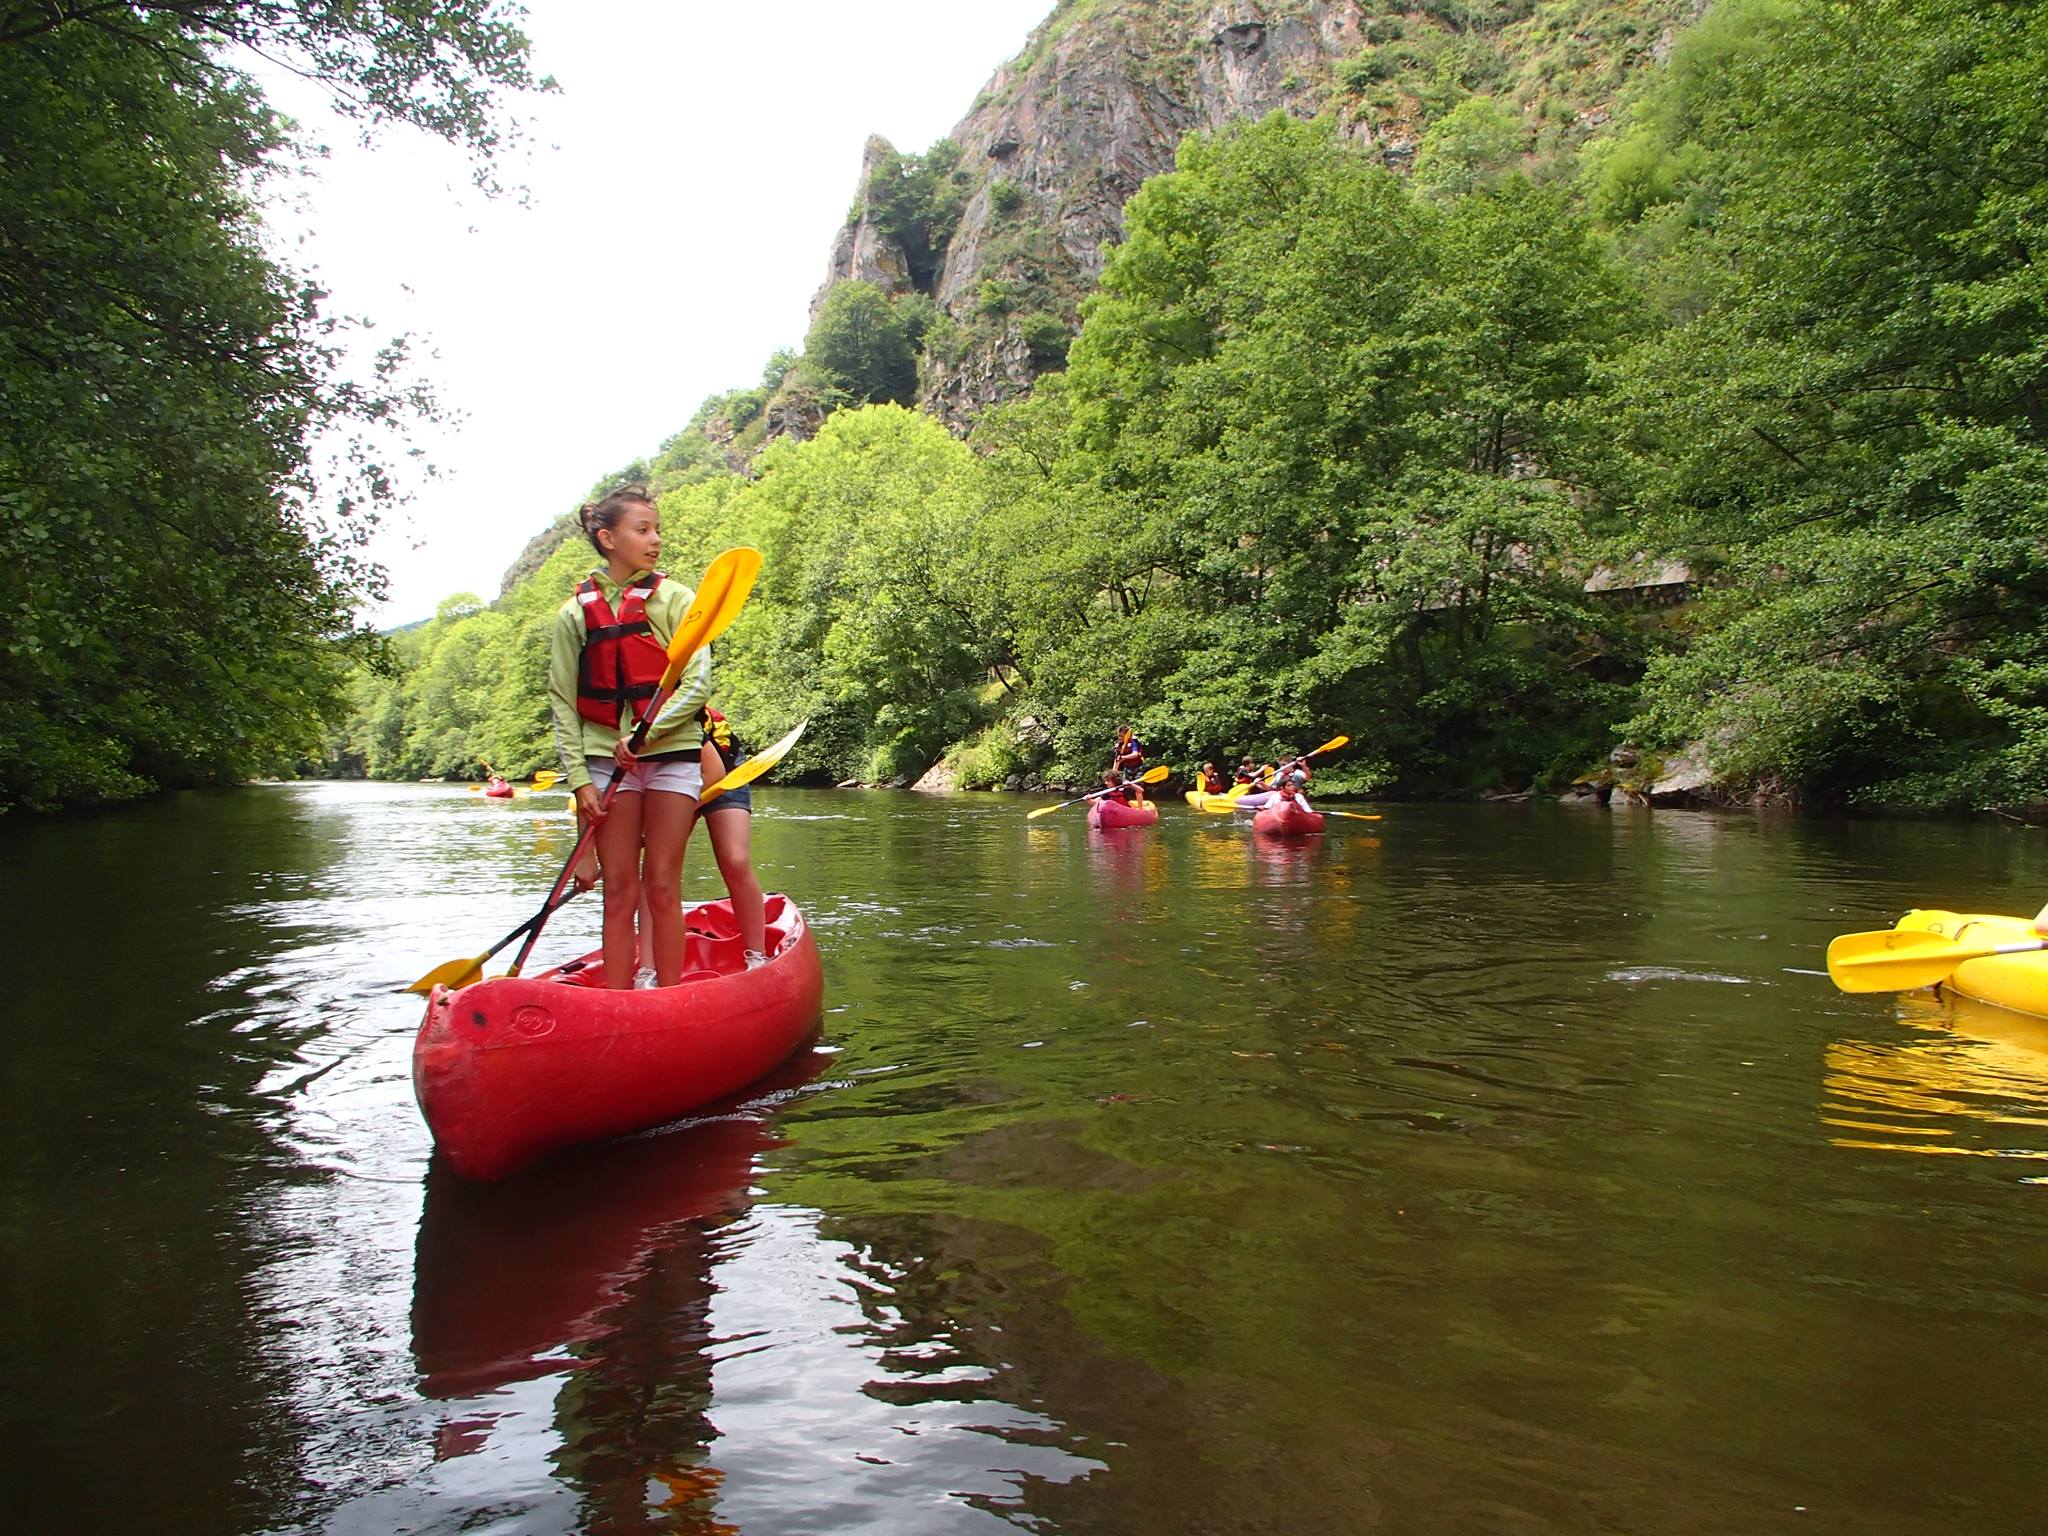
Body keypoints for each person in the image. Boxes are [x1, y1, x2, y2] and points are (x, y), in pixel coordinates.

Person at [548, 486, 711, 990]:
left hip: (672, 757)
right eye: (643, 530)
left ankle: (668, 997)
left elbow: (699, 682)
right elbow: (561, 701)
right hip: (603, 762)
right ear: (607, 537)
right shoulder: (574, 615)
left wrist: (646, 733)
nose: (655, 539)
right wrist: (580, 783)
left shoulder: (677, 599)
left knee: (661, 885)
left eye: (657, 529)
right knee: (618, 890)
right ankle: (616, 1004)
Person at [697, 704, 769, 968]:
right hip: (668, 775)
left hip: (726, 768)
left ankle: (757, 956)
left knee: (735, 859)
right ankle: (649, 969)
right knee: (659, 870)